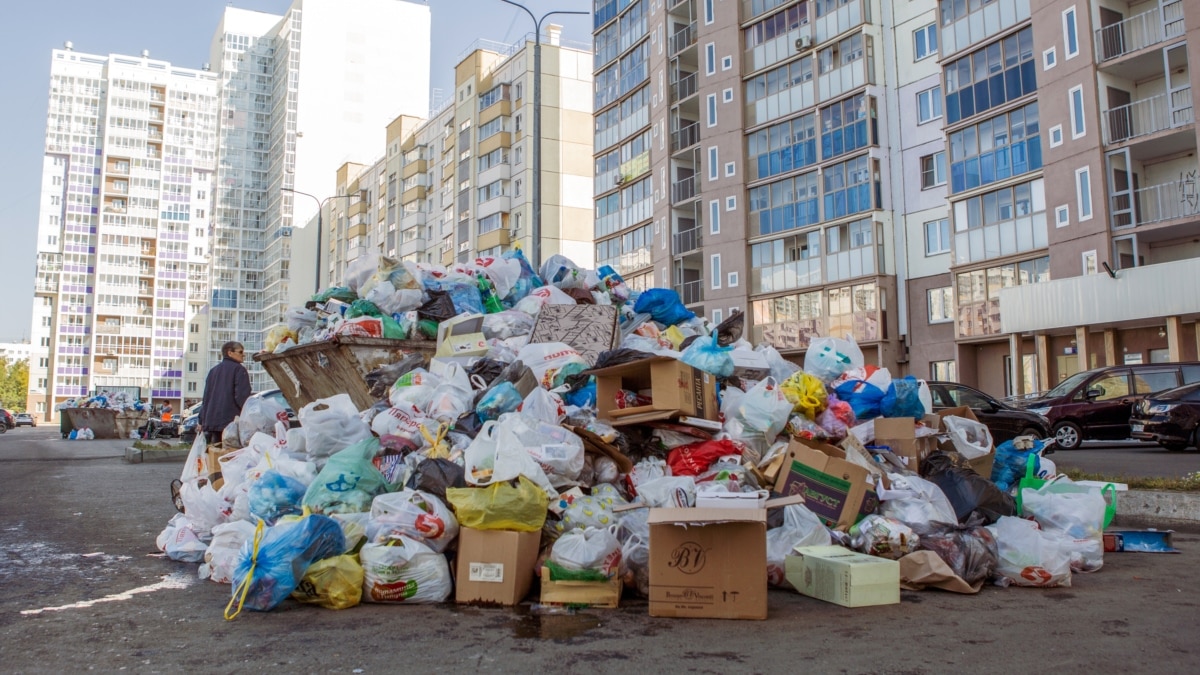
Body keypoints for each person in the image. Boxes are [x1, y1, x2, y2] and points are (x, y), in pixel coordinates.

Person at [199, 341, 251, 444]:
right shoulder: (239, 369)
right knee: (230, 455)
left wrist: (201, 420)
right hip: (230, 422)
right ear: (230, 352)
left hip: (211, 422)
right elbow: (242, 396)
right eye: (240, 352)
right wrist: (248, 416)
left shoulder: (213, 371)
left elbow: (206, 398)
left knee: (215, 454)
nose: (243, 355)